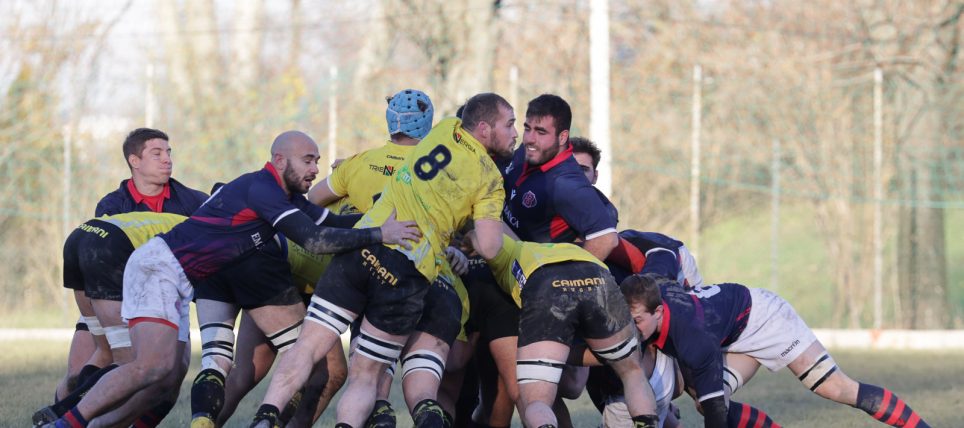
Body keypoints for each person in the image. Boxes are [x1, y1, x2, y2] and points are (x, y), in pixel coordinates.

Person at [45, 130, 419, 428]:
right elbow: (315, 240)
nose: (315, 169)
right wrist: (379, 235)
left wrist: (384, 217)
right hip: (158, 268)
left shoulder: (286, 194)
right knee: (151, 368)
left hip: (178, 278)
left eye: (317, 161)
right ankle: (65, 423)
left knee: (167, 381)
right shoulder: (262, 188)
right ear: (278, 160)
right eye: (308, 160)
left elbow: (330, 221)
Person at [252, 92, 516, 428]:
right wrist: (471, 237)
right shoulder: (491, 181)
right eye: (509, 125)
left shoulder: (446, 128)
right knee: (365, 375)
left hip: (362, 248)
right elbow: (492, 248)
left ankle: (264, 418)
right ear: (483, 129)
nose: (515, 133)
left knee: (306, 348)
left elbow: (317, 196)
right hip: (406, 272)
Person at [621, 273, 931, 428]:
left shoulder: (693, 339)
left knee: (836, 388)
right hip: (730, 332)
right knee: (707, 402)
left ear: (659, 311)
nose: (634, 329)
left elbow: (716, 416)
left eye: (637, 321)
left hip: (766, 318)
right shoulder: (652, 291)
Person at [53, 128, 207, 408]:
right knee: (78, 374)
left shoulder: (193, 202)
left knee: (157, 376)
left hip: (159, 301)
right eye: (157, 153)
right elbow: (104, 263)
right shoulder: (112, 205)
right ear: (134, 161)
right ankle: (61, 412)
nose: (167, 160)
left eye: (168, 152)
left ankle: (64, 417)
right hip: (111, 293)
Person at [466, 233, 659, 428]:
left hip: (545, 282)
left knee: (537, 401)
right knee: (633, 372)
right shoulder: (567, 249)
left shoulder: (512, 249)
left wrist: (465, 244)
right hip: (595, 275)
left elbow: (480, 234)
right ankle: (648, 423)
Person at [34, 212, 188, 428]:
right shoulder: (218, 230)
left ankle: (59, 413)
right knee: (130, 362)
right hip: (109, 249)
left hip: (82, 236)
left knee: (104, 353)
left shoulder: (197, 214)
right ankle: (61, 415)